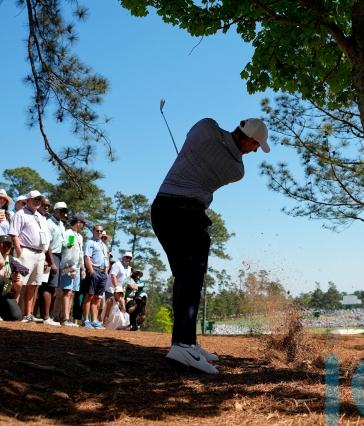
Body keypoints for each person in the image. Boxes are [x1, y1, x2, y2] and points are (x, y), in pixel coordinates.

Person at [151, 117, 270, 374]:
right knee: (191, 279)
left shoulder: (205, 127)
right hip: (186, 214)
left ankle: (186, 342)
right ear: (249, 140)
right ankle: (183, 346)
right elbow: (227, 155)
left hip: (161, 210)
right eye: (256, 146)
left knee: (185, 278)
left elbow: (202, 134)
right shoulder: (237, 170)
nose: (254, 152)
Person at [8, 190, 48, 323]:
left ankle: (28, 314)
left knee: (33, 285)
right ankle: (12, 313)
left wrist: (43, 253)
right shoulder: (20, 214)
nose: (37, 202)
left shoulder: (40, 216)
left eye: (39, 199)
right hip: (25, 251)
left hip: (39, 254)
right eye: (35, 199)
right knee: (18, 284)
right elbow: (14, 234)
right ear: (28, 200)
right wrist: (20, 252)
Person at [81, 224, 110, 329]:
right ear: (93, 231)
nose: (99, 233)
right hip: (94, 270)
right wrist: (91, 271)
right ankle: (86, 320)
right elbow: (87, 257)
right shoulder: (90, 242)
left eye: (101, 231)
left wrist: (106, 272)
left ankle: (94, 320)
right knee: (89, 295)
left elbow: (106, 259)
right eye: (97, 231)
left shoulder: (104, 245)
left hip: (102, 273)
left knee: (97, 298)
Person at [58, 214, 85, 327]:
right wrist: (71, 268)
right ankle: (65, 318)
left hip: (77, 267)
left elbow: (80, 253)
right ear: (77, 222)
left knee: (72, 293)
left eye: (83, 223)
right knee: (67, 291)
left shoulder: (79, 236)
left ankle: (67, 318)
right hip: (68, 265)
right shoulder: (69, 233)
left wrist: (82, 268)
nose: (82, 225)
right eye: (81, 222)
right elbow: (68, 250)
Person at [104, 252, 132, 324]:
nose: (128, 259)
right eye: (127, 257)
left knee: (121, 308)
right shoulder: (117, 265)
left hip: (121, 292)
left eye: (130, 258)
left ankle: (122, 324)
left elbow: (127, 280)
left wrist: (132, 285)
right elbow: (113, 276)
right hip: (111, 290)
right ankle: (103, 323)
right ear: (123, 257)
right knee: (108, 309)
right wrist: (117, 288)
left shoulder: (129, 268)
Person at [0, 235, 24, 321]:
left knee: (17, 316)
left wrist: (15, 280)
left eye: (9, 245)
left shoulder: (14, 261)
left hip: (5, 295)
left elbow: (24, 271)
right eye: (4, 245)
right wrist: (10, 277)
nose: (6, 248)